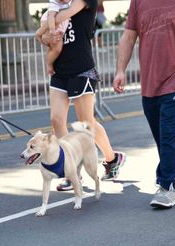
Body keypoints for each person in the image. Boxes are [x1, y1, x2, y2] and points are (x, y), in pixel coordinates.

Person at [113, 0, 175, 208]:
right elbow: (128, 36)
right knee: (160, 133)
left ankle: (166, 187)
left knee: (168, 132)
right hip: (150, 83)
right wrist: (120, 70)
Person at [40, 0, 126, 191]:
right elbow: (43, 35)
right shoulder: (57, 5)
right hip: (60, 70)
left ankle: (112, 159)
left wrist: (49, 20)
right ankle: (72, 173)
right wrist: (45, 35)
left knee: (86, 123)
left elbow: (59, 18)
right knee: (56, 120)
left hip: (81, 69)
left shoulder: (81, 2)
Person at [36, 0, 72, 75]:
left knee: (53, 47)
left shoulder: (68, 2)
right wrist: (52, 29)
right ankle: (49, 63)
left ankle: (50, 62)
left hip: (56, 25)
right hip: (51, 24)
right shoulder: (55, 3)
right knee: (57, 48)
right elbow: (51, 16)